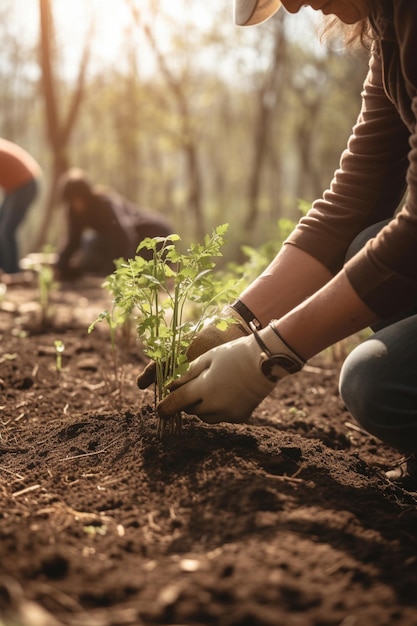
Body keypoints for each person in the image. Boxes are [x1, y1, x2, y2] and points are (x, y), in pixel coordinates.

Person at [138, 0, 417, 486]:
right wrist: (237, 323)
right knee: (365, 242)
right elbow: (353, 200)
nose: (289, 4)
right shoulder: (392, 31)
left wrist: (266, 356)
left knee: (377, 383)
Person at [55, 168, 174, 280]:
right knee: (90, 245)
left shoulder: (104, 203)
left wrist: (112, 270)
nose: (77, 204)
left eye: (79, 199)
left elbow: (124, 236)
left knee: (95, 247)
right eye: (73, 200)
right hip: (123, 240)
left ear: (86, 195)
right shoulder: (74, 213)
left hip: (154, 233)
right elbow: (73, 240)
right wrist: (61, 264)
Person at [0, 138, 42, 276]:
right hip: (15, 187)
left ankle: (12, 272)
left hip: (25, 184)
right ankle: (5, 269)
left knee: (6, 230)